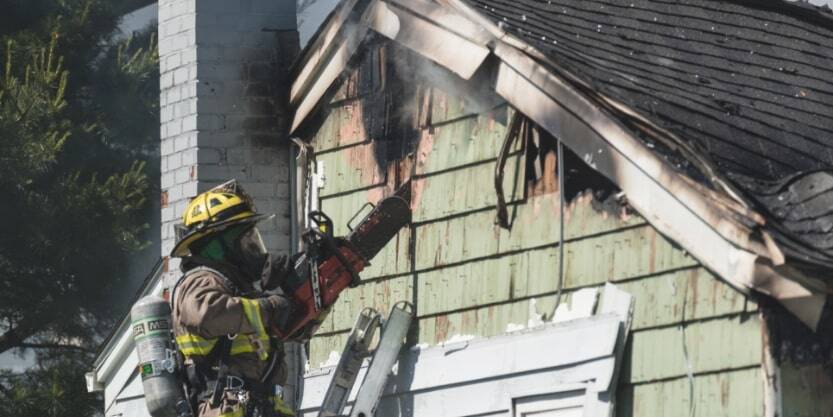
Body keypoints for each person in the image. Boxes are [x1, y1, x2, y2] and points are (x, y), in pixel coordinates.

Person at [169, 180, 297, 417]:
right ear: (217, 245)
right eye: (246, 240)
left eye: (254, 238)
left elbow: (294, 329)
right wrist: (268, 307)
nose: (254, 248)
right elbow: (205, 314)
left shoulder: (238, 292)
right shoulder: (202, 280)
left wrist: (302, 286)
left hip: (257, 407)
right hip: (224, 409)